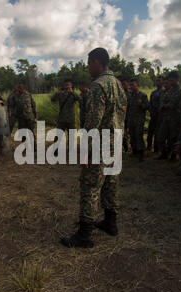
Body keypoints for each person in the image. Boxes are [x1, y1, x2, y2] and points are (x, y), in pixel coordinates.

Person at [60, 48, 127, 248]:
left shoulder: (98, 86)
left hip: (100, 143)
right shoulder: (117, 85)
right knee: (110, 183)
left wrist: (86, 151)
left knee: (90, 187)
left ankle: (85, 234)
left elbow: (92, 123)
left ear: (98, 62)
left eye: (89, 63)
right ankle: (110, 222)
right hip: (115, 142)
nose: (88, 67)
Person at [156, 71, 181, 161]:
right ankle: (164, 153)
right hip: (166, 117)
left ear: (177, 80)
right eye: (169, 81)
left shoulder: (180, 91)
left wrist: (165, 106)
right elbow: (163, 103)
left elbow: (172, 105)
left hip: (175, 118)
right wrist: (165, 106)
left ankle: (173, 155)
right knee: (161, 137)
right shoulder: (170, 90)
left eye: (172, 80)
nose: (170, 83)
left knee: (173, 138)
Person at [127, 79, 149, 161]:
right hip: (131, 119)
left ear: (137, 85)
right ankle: (134, 151)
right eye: (130, 85)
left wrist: (141, 104)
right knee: (132, 135)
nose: (131, 87)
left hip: (139, 119)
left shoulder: (143, 95)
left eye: (133, 85)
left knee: (139, 135)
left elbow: (147, 106)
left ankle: (141, 153)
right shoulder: (130, 96)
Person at [147, 77, 164, 153]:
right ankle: (149, 146)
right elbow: (150, 104)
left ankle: (157, 149)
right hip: (153, 115)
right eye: (157, 81)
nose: (158, 83)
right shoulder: (153, 93)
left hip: (160, 116)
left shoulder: (164, 92)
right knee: (150, 131)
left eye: (159, 81)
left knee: (158, 133)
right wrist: (151, 111)